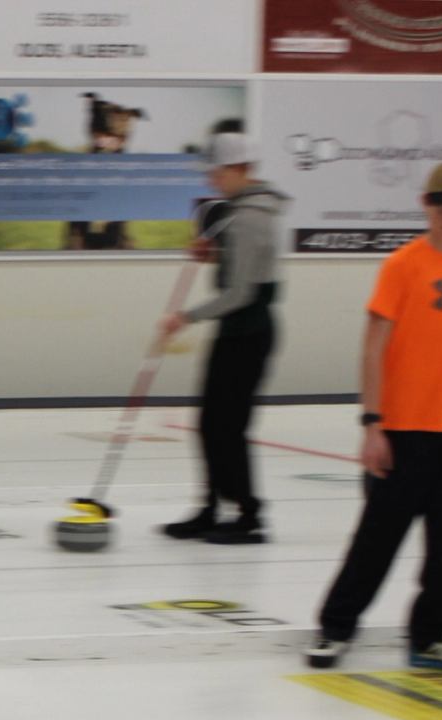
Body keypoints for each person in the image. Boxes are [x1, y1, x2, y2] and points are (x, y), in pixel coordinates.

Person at [307, 159, 442, 673]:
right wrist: (372, 423)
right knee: (377, 540)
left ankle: (431, 638)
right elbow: (373, 346)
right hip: (404, 431)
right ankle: (335, 629)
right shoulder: (404, 266)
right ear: (425, 207)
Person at [158, 133, 288, 544]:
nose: (212, 180)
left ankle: (248, 515)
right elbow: (240, 268)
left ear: (238, 170)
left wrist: (186, 317)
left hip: (249, 331)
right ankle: (212, 508)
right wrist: (212, 253)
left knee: (228, 427)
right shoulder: (239, 210)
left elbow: (241, 292)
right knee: (211, 424)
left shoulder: (251, 216)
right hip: (236, 329)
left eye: (216, 172)